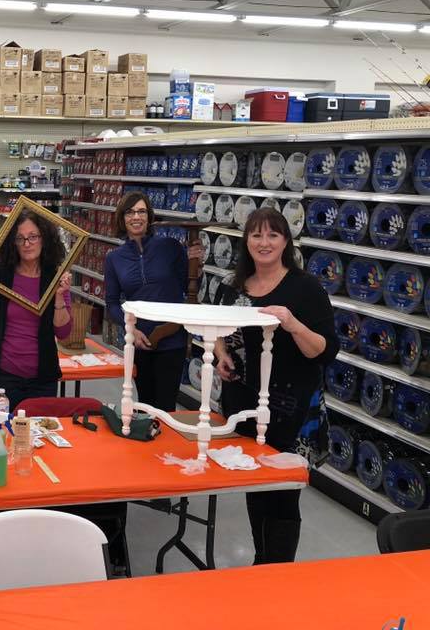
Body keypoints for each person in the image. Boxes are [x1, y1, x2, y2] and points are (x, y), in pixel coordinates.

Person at [213, 207, 338, 565]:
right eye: (256, 235)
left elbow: (325, 350)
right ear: (246, 241)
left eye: (272, 235)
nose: (264, 242)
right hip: (244, 404)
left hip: (290, 408)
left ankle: (277, 570)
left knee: (282, 493)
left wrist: (293, 324)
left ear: (286, 241)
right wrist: (221, 354)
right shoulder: (232, 286)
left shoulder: (305, 288)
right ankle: (262, 561)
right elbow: (216, 329)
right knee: (256, 483)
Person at [0, 208, 72, 411]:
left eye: (33, 236)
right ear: (12, 243)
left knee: (40, 431)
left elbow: (63, 333)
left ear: (44, 239)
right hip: (3, 379)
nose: (27, 244)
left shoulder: (55, 278)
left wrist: (59, 296)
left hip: (43, 380)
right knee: (3, 431)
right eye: (20, 238)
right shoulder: (0, 276)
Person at [104, 191, 200, 413]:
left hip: (171, 338)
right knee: (144, 406)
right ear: (122, 218)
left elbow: (188, 287)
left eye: (141, 211)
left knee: (166, 408)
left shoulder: (170, 247)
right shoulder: (114, 258)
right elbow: (112, 303)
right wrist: (131, 329)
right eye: (130, 212)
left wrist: (197, 266)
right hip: (139, 341)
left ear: (149, 217)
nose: (136, 217)